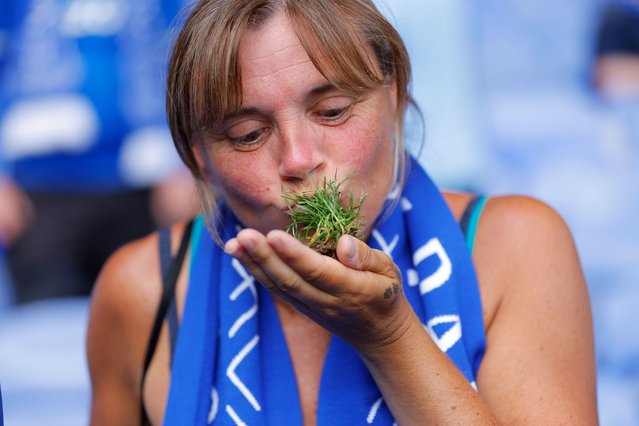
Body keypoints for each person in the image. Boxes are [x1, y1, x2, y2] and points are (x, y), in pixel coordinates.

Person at [87, 0, 598, 424]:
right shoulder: (142, 292)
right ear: (198, 155)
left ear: (394, 94)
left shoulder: (514, 247)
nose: (298, 160)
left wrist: (390, 336)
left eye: (332, 111)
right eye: (248, 135)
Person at [0, 0, 196, 303]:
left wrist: (187, 162)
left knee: (143, 316)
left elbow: (194, 49)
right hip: (39, 196)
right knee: (45, 327)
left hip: (146, 190)